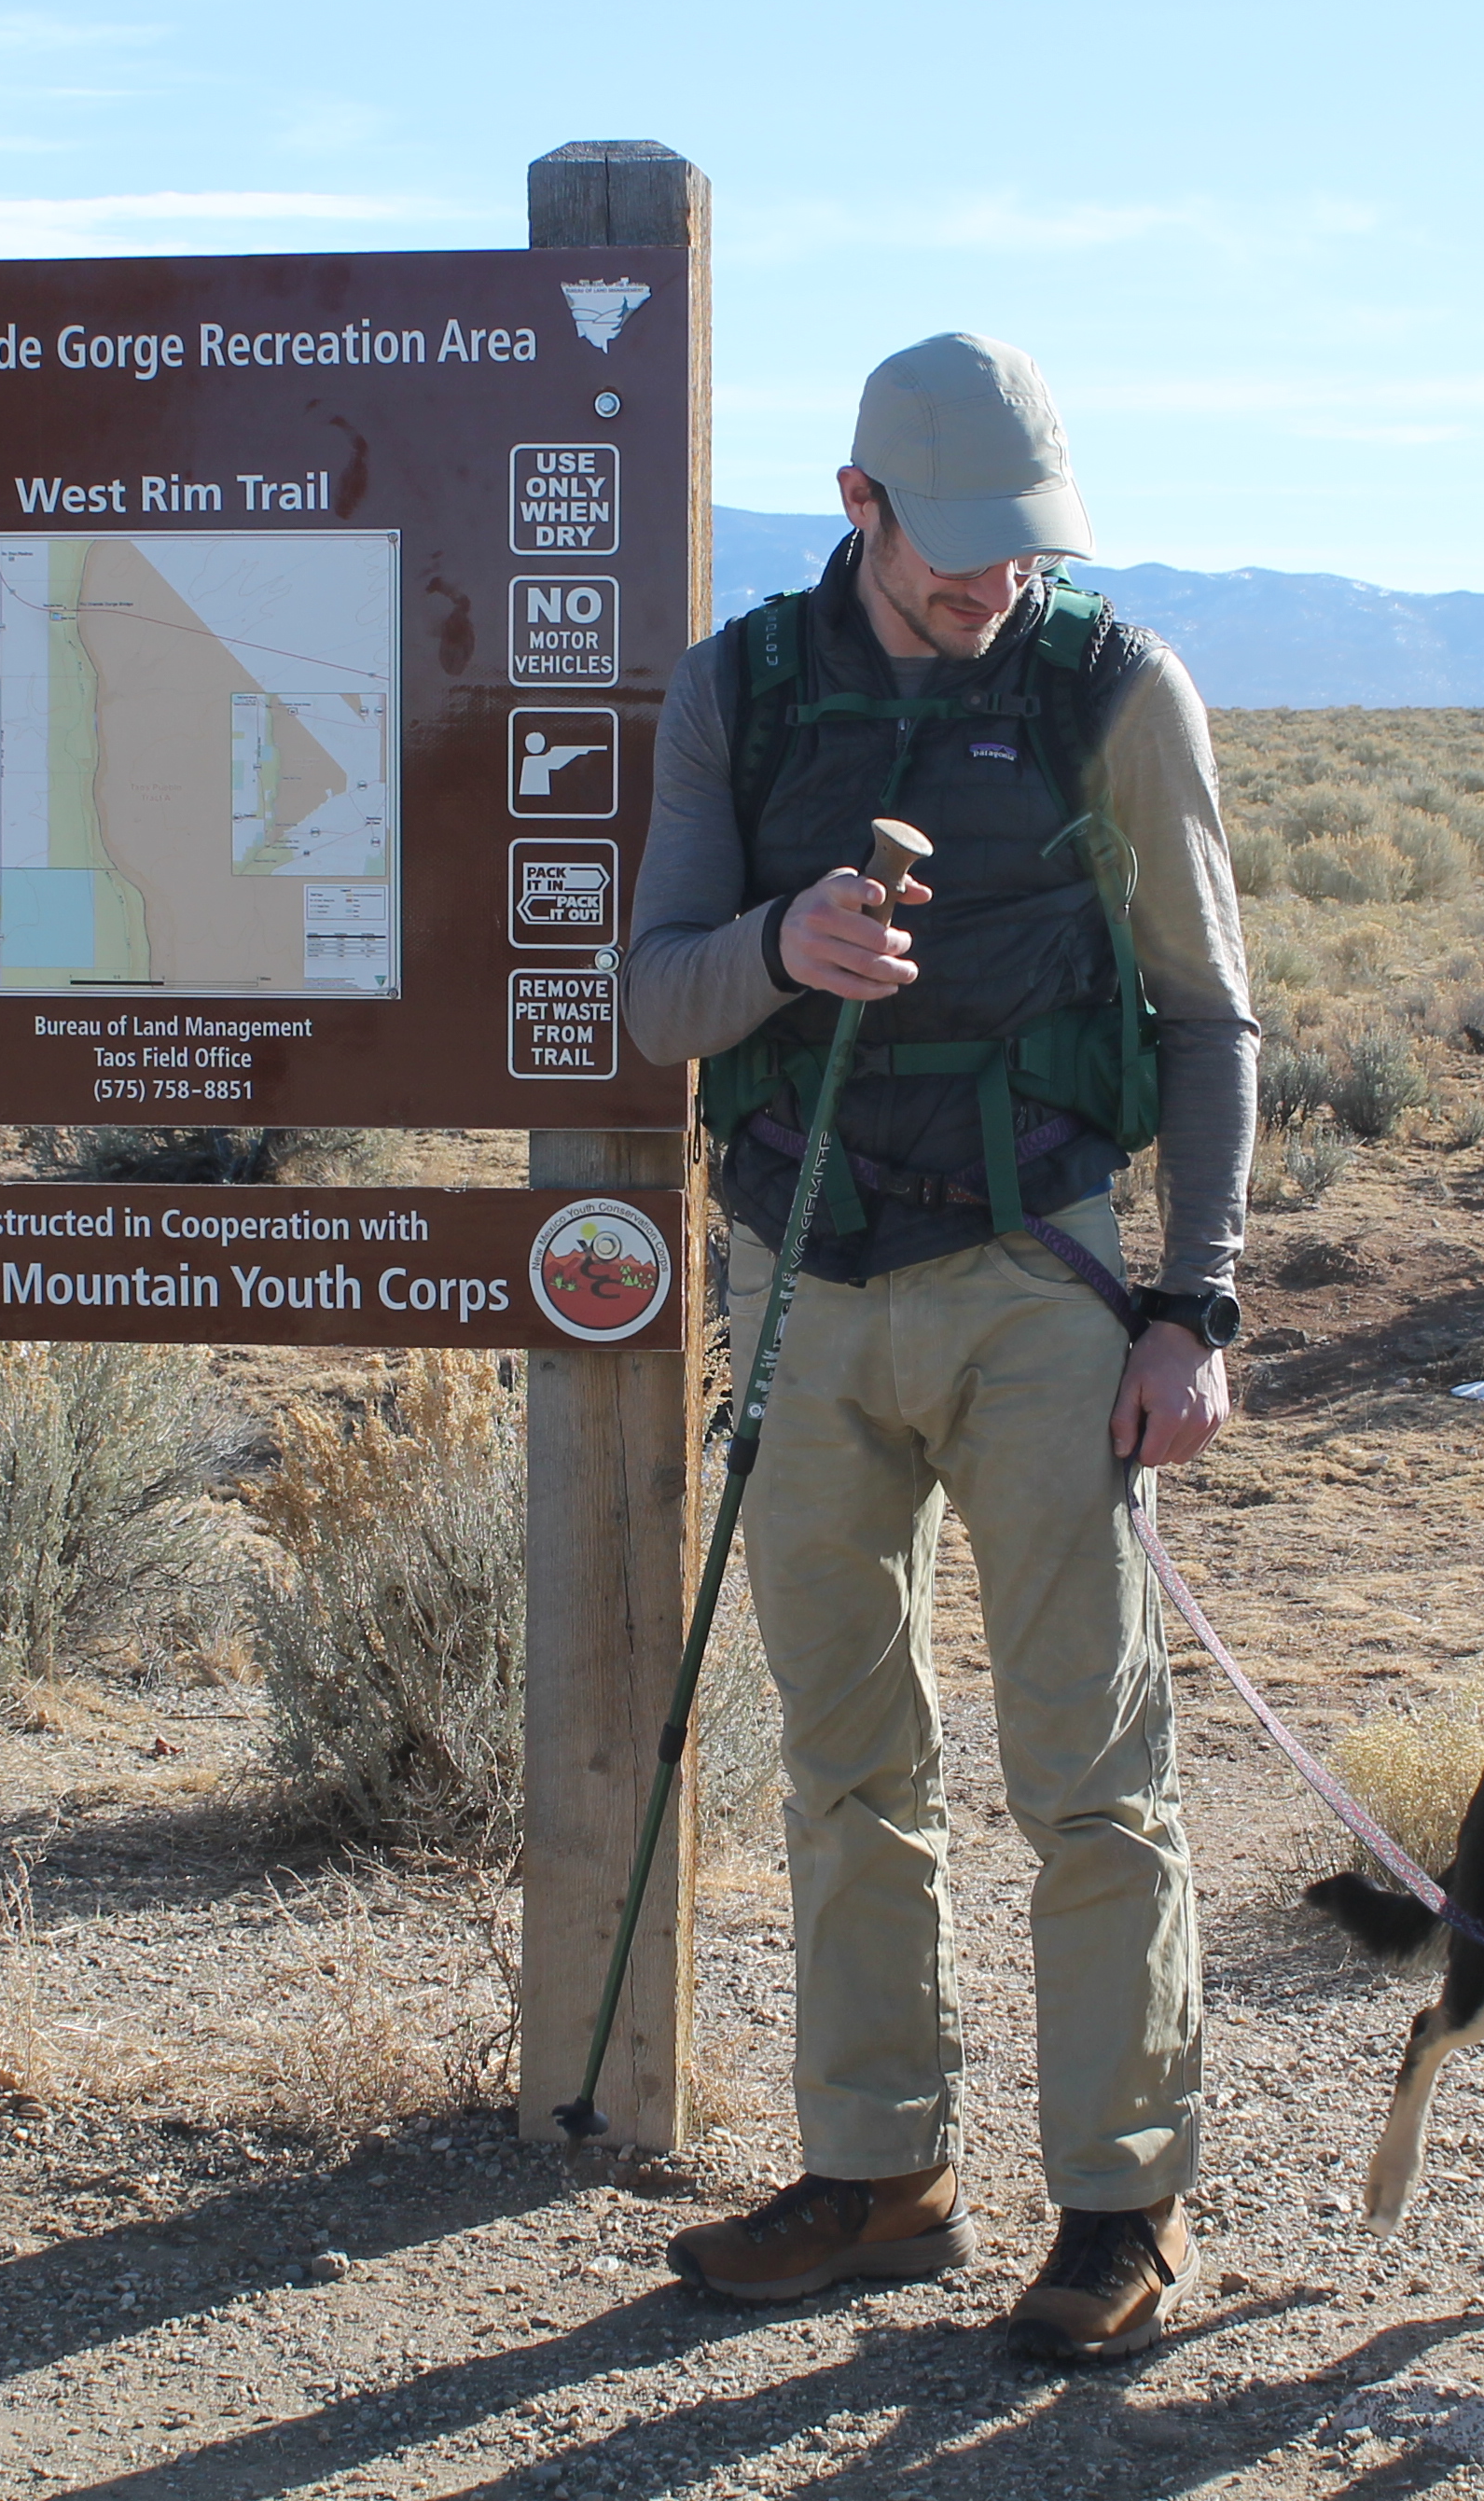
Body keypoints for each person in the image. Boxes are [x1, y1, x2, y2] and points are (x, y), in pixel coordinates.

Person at [626, 332, 1256, 2361]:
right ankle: (880, 2168)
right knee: (844, 1753)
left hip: (1037, 1284)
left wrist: (1197, 1300)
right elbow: (655, 1001)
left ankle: (1118, 2206)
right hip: (803, 1282)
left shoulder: (1110, 684)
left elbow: (1207, 1008)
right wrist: (775, 951)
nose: (993, 585)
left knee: (1088, 1760)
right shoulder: (742, 688)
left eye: (1021, 550)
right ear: (859, 505)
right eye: (954, 550)